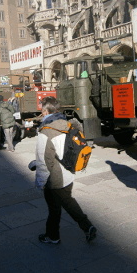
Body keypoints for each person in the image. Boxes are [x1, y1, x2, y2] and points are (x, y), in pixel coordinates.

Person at [35, 96, 97, 244]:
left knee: (57, 206)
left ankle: (57, 235)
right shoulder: (68, 124)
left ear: (45, 111)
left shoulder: (46, 131)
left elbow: (44, 161)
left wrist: (40, 182)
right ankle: (57, 234)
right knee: (64, 202)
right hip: (69, 171)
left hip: (55, 177)